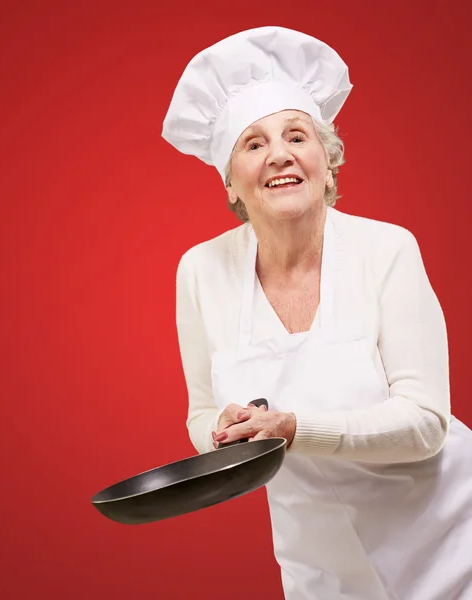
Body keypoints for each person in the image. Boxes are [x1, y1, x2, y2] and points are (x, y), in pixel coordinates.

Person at [162, 26, 472, 600]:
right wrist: (226, 434)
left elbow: (427, 423)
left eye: (297, 137)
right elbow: (202, 415)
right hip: (320, 559)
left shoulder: (388, 249)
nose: (278, 153)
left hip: (452, 541)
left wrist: (292, 429)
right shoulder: (200, 271)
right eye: (253, 144)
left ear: (327, 167)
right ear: (230, 182)